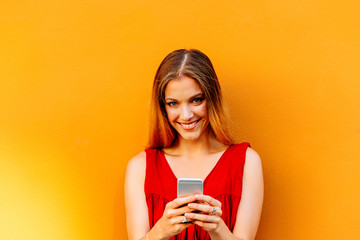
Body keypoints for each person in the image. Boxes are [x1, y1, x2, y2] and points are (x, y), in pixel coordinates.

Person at [125, 49, 264, 240]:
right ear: (163, 107)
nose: (186, 115)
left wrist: (218, 229)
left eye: (196, 100)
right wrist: (161, 231)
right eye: (173, 103)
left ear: (212, 99)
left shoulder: (247, 161)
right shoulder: (140, 167)